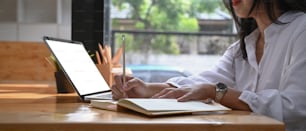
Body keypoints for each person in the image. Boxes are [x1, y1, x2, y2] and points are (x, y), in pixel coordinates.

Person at [112, 0, 306, 130]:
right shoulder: (243, 47)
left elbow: (295, 107)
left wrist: (216, 92)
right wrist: (145, 89)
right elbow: (201, 84)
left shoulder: (301, 30)